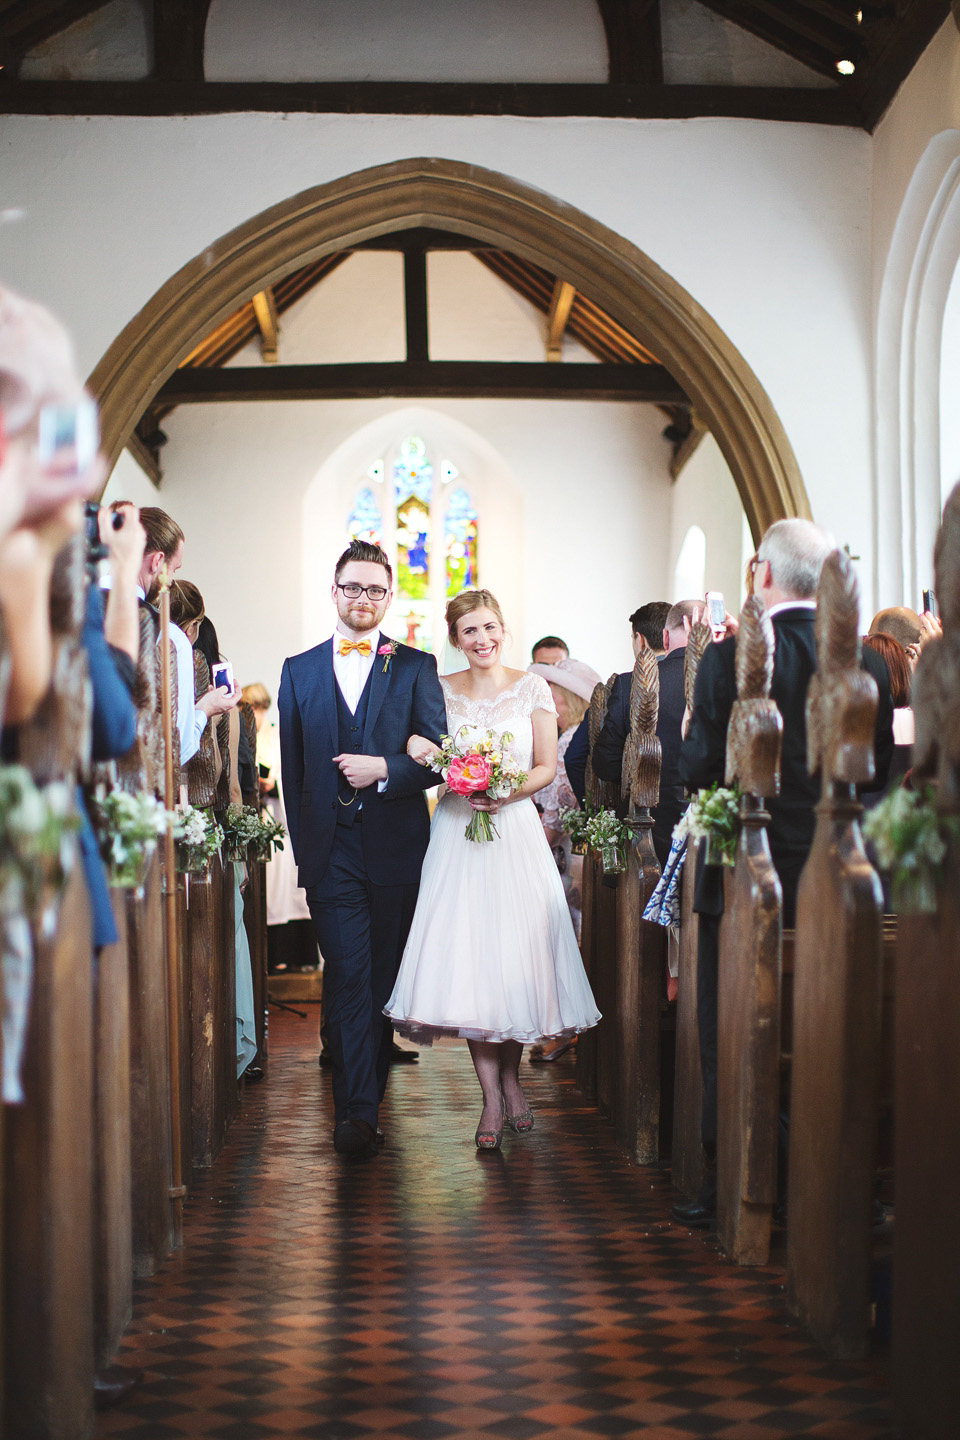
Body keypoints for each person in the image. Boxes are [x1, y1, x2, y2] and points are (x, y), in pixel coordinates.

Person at [671, 519, 894, 1230]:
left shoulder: (728, 660)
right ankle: (827, 1178)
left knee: (734, 1026)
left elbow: (700, 769)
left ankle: (733, 1177)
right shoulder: (870, 662)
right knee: (825, 1025)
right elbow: (877, 771)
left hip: (746, 873)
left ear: (761, 575)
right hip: (837, 872)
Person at [384, 589, 601, 1149]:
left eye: (489, 628)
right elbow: (424, 749)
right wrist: (440, 763)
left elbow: (548, 767)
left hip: (514, 833)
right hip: (458, 832)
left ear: (503, 628)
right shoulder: (439, 688)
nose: (482, 640)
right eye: (469, 632)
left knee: (513, 960)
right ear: (455, 639)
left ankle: (513, 1082)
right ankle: (490, 1099)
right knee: (474, 963)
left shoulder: (532, 687)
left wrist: (502, 791)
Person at [278, 539, 447, 1157]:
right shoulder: (298, 670)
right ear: (334, 590)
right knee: (348, 973)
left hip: (396, 846)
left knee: (381, 977)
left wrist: (384, 768)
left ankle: (367, 1089)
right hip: (331, 854)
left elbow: (436, 759)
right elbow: (294, 774)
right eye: (354, 587)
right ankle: (357, 1113)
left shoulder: (413, 667)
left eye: (376, 589)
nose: (364, 599)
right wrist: (307, 855)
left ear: (389, 596)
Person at [593, 599, 700, 866]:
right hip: (713, 830)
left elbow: (605, 764)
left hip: (648, 832)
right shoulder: (730, 682)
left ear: (665, 637)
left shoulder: (629, 684)